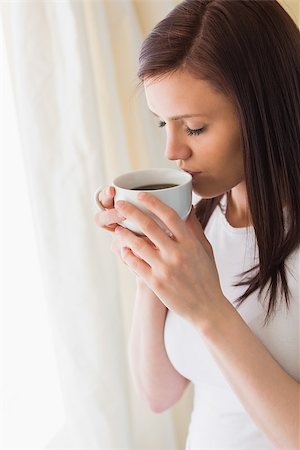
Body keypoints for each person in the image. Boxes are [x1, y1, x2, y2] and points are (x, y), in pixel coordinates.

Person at [94, 0, 300, 448]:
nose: (171, 151)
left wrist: (209, 310)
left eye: (195, 128)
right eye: (163, 123)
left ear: (264, 111)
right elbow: (159, 394)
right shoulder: (201, 219)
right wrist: (149, 264)